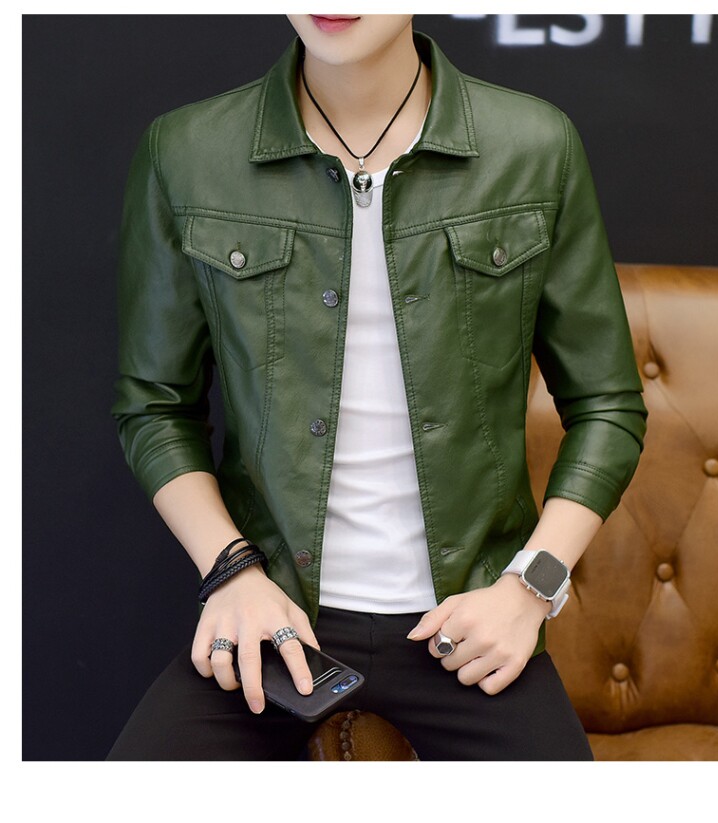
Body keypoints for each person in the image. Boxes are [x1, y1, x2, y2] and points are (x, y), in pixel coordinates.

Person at [108, 14, 647, 761]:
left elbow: (608, 407)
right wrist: (231, 571)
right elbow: (154, 406)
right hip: (276, 621)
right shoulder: (189, 150)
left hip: (468, 623)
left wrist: (530, 588)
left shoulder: (534, 146)